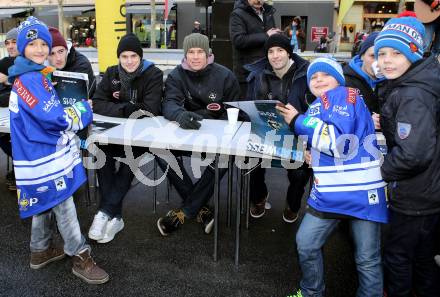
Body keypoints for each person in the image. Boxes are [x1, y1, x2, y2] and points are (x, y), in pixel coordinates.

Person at [8, 16, 108, 284]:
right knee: (64, 205)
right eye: (33, 44)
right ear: (21, 47)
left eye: (45, 44)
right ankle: (80, 255)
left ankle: (39, 251)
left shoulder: (30, 74)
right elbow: (57, 120)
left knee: (45, 202)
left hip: (35, 156)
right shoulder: (30, 79)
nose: (40, 49)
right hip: (44, 157)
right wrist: (83, 108)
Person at [277, 57, 388, 297]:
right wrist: (311, 152)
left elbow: (338, 143)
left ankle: (312, 292)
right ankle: (311, 292)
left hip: (359, 191)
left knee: (366, 258)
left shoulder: (344, 95)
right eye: (313, 77)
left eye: (325, 75)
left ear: (338, 79)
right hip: (329, 191)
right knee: (307, 244)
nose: (318, 80)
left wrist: (297, 120)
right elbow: (328, 141)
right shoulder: (319, 105)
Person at [374, 16, 440, 296]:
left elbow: (413, 154)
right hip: (430, 191)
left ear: (414, 52)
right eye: (382, 53)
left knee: (398, 258)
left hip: (414, 196)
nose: (387, 60)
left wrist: (380, 172)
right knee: (424, 259)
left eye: (397, 53)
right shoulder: (419, 82)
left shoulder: (411, 94)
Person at [156, 33, 240, 236]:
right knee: (161, 151)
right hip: (186, 133)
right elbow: (169, 103)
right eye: (191, 52)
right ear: (185, 54)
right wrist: (179, 115)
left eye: (200, 51)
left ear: (208, 52)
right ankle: (201, 209)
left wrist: (213, 124)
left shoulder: (225, 76)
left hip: (216, 137)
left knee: (224, 158)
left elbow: (236, 110)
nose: (195, 56)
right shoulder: (176, 75)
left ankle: (185, 212)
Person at [88, 33, 163, 244]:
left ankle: (104, 212)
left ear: (140, 56)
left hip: (142, 136)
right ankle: (115, 217)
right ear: (119, 57)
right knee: (102, 154)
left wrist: (119, 107)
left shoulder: (153, 74)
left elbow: (150, 109)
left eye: (133, 56)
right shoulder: (111, 72)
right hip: (114, 134)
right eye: (124, 56)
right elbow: (98, 102)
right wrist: (127, 108)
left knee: (130, 158)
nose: (129, 61)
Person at [245, 33, 312, 223]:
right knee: (249, 160)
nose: (275, 55)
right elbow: (251, 106)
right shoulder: (258, 76)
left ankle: (292, 204)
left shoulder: (306, 74)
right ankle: (258, 198)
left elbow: (315, 110)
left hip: (297, 134)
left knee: (300, 171)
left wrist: (300, 121)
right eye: (271, 51)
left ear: (289, 53)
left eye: (280, 50)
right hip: (267, 132)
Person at [230, 0, 279, 98]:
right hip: (247, 75)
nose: (258, 0)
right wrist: (266, 36)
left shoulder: (268, 12)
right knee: (248, 109)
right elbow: (238, 40)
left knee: (265, 109)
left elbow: (270, 37)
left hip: (267, 71)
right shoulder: (237, 14)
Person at [343, 31, 384, 116]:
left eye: (381, 56)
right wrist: (367, 120)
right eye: (373, 56)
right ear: (362, 56)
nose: (377, 62)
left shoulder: (393, 81)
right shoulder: (345, 82)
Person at [48, 27, 96, 97]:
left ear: (67, 50)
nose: (58, 58)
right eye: (52, 53)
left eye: (61, 51)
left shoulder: (81, 64)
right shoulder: (46, 67)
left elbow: (73, 97)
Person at [0, 27, 19, 190]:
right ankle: (20, 166)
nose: (10, 46)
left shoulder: (31, 63)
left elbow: (24, 92)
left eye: (14, 42)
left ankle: (20, 167)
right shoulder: (4, 62)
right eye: (7, 43)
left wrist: (7, 81)